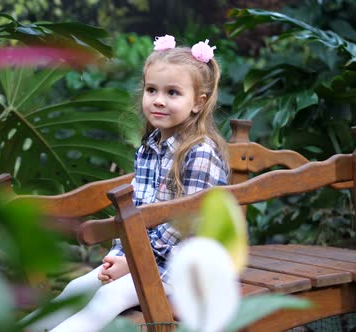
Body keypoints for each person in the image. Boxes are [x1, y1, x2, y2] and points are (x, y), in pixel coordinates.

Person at [22, 35, 230, 332]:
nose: (158, 100)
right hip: (142, 255)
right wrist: (121, 255)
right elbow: (140, 209)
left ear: (198, 103)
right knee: (74, 291)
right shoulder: (150, 146)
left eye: (172, 92)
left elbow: (186, 221)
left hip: (184, 266)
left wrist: (133, 260)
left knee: (107, 299)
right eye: (151, 90)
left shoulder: (200, 152)